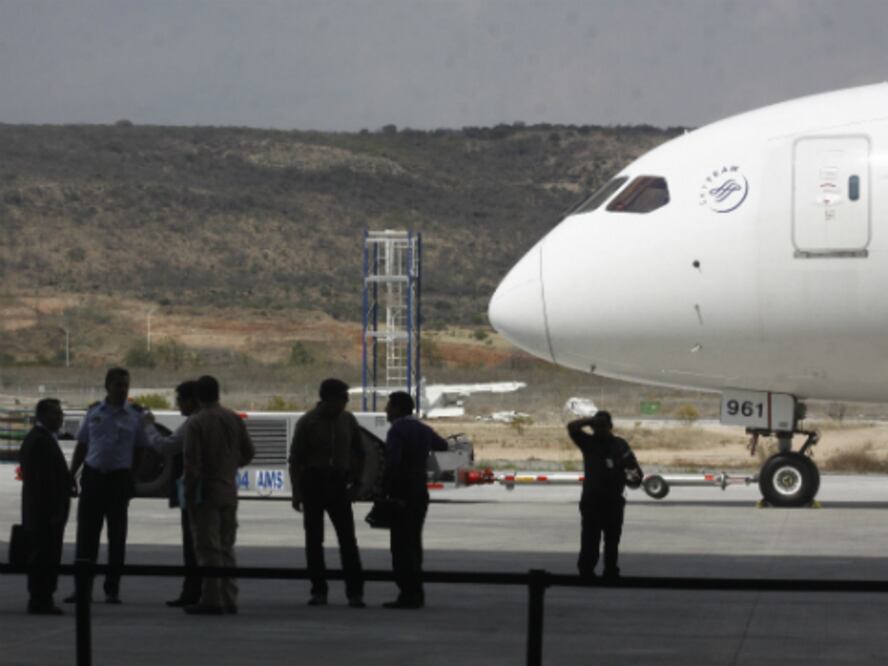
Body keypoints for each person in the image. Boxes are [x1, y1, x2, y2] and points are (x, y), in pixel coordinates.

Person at [64, 367, 149, 604]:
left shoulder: (134, 416)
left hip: (118, 480)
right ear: (107, 386)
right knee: (86, 536)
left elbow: (141, 449)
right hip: (93, 477)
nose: (122, 390)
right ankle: (82, 589)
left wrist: (133, 477)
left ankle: (112, 589)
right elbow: (82, 445)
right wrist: (72, 474)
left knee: (117, 536)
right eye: (118, 385)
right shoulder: (93, 413)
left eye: (125, 386)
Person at [288, 378, 365, 608]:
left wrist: (357, 481)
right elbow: (296, 460)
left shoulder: (348, 421)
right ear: (329, 399)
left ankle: (355, 593)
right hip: (313, 483)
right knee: (314, 540)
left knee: (348, 541)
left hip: (338, 484)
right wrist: (297, 492)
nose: (346, 403)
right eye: (343, 398)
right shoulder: (307, 422)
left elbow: (360, 452)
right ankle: (318, 591)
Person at [182, 375, 255, 615]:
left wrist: (190, 495)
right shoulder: (233, 418)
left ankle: (212, 599)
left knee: (207, 548)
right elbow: (249, 452)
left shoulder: (196, 422)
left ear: (197, 397)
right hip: (228, 490)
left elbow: (192, 465)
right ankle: (229, 596)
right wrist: (231, 465)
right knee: (226, 546)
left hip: (206, 493)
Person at [381, 391, 448, 609]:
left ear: (398, 409)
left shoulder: (397, 430)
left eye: (389, 406)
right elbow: (442, 445)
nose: (386, 410)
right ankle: (417, 592)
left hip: (401, 493)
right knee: (414, 543)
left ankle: (407, 593)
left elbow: (392, 462)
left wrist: (383, 488)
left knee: (400, 546)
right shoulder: (422, 429)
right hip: (420, 492)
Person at [142, 379, 202, 607]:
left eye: (180, 400)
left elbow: (166, 446)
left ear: (191, 400)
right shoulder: (225, 419)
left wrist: (148, 425)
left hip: (196, 492)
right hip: (219, 491)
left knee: (193, 544)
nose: (178, 405)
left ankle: (193, 592)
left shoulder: (193, 424)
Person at [567, 410, 642, 581]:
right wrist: (590, 420)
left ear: (610, 426)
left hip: (613, 501)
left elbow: (634, 470)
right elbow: (571, 427)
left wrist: (629, 470)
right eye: (596, 426)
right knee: (590, 540)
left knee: (612, 540)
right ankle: (586, 572)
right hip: (592, 501)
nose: (599, 429)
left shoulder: (620, 445)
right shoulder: (588, 442)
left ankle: (610, 571)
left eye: (602, 425)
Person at [19, 398, 74, 614]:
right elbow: (42, 480)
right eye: (55, 413)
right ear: (42, 416)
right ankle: (41, 598)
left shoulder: (40, 438)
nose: (60, 417)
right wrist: (54, 508)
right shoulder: (40, 440)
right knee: (45, 554)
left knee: (46, 554)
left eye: (60, 413)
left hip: (42, 509)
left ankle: (42, 596)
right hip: (45, 510)